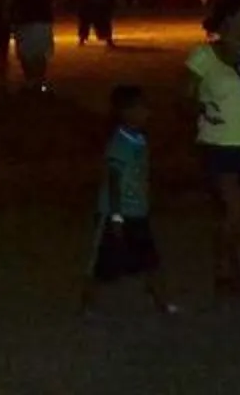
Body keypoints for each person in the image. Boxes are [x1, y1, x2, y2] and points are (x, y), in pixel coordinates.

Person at [183, 0, 240, 302]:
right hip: (219, 143)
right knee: (232, 215)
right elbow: (184, 96)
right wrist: (201, 110)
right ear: (228, 22)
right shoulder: (203, 56)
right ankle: (223, 263)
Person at [83, 85, 176, 314]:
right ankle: (87, 305)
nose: (147, 112)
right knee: (103, 265)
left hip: (136, 210)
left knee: (150, 259)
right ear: (127, 111)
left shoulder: (137, 139)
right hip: (119, 212)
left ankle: (162, 303)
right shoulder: (121, 142)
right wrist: (115, 215)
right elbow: (113, 180)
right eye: (142, 107)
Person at [11, 0, 59, 93]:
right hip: (41, 14)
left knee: (27, 51)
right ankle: (39, 81)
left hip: (26, 15)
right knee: (39, 51)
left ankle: (32, 80)